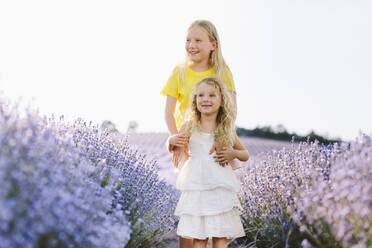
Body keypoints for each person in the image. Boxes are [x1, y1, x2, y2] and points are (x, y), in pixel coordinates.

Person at [167, 78, 249, 248]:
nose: (205, 99)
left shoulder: (226, 129)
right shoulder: (189, 126)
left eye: (212, 95)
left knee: (220, 235)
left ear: (221, 101)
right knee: (199, 236)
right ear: (195, 101)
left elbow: (245, 154)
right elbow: (173, 147)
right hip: (197, 184)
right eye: (201, 95)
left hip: (219, 184)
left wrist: (233, 153)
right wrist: (171, 140)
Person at [161, 20, 240, 169]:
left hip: (215, 140)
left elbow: (231, 110)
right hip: (188, 145)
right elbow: (168, 113)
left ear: (213, 45)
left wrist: (222, 137)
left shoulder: (222, 72)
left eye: (198, 40)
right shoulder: (179, 72)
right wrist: (176, 139)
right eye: (188, 40)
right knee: (191, 187)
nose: (191, 45)